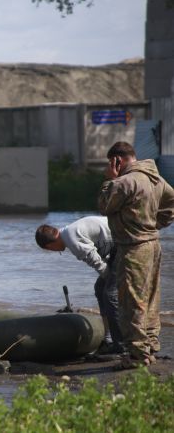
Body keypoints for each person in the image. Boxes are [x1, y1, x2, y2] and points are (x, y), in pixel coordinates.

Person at [98, 141, 174, 367]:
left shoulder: (124, 182)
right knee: (150, 298)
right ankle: (149, 346)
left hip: (133, 247)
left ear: (117, 161)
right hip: (153, 244)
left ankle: (137, 356)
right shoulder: (156, 179)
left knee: (131, 301)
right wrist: (153, 226)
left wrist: (108, 179)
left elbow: (104, 205)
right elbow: (171, 204)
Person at [35, 216, 123, 354]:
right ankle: (108, 339)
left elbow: (99, 264)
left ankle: (121, 346)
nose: (55, 251)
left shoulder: (73, 240)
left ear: (49, 246)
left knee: (110, 295)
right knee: (100, 289)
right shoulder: (68, 232)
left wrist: (114, 282)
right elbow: (102, 255)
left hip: (126, 243)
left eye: (51, 250)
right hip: (117, 245)